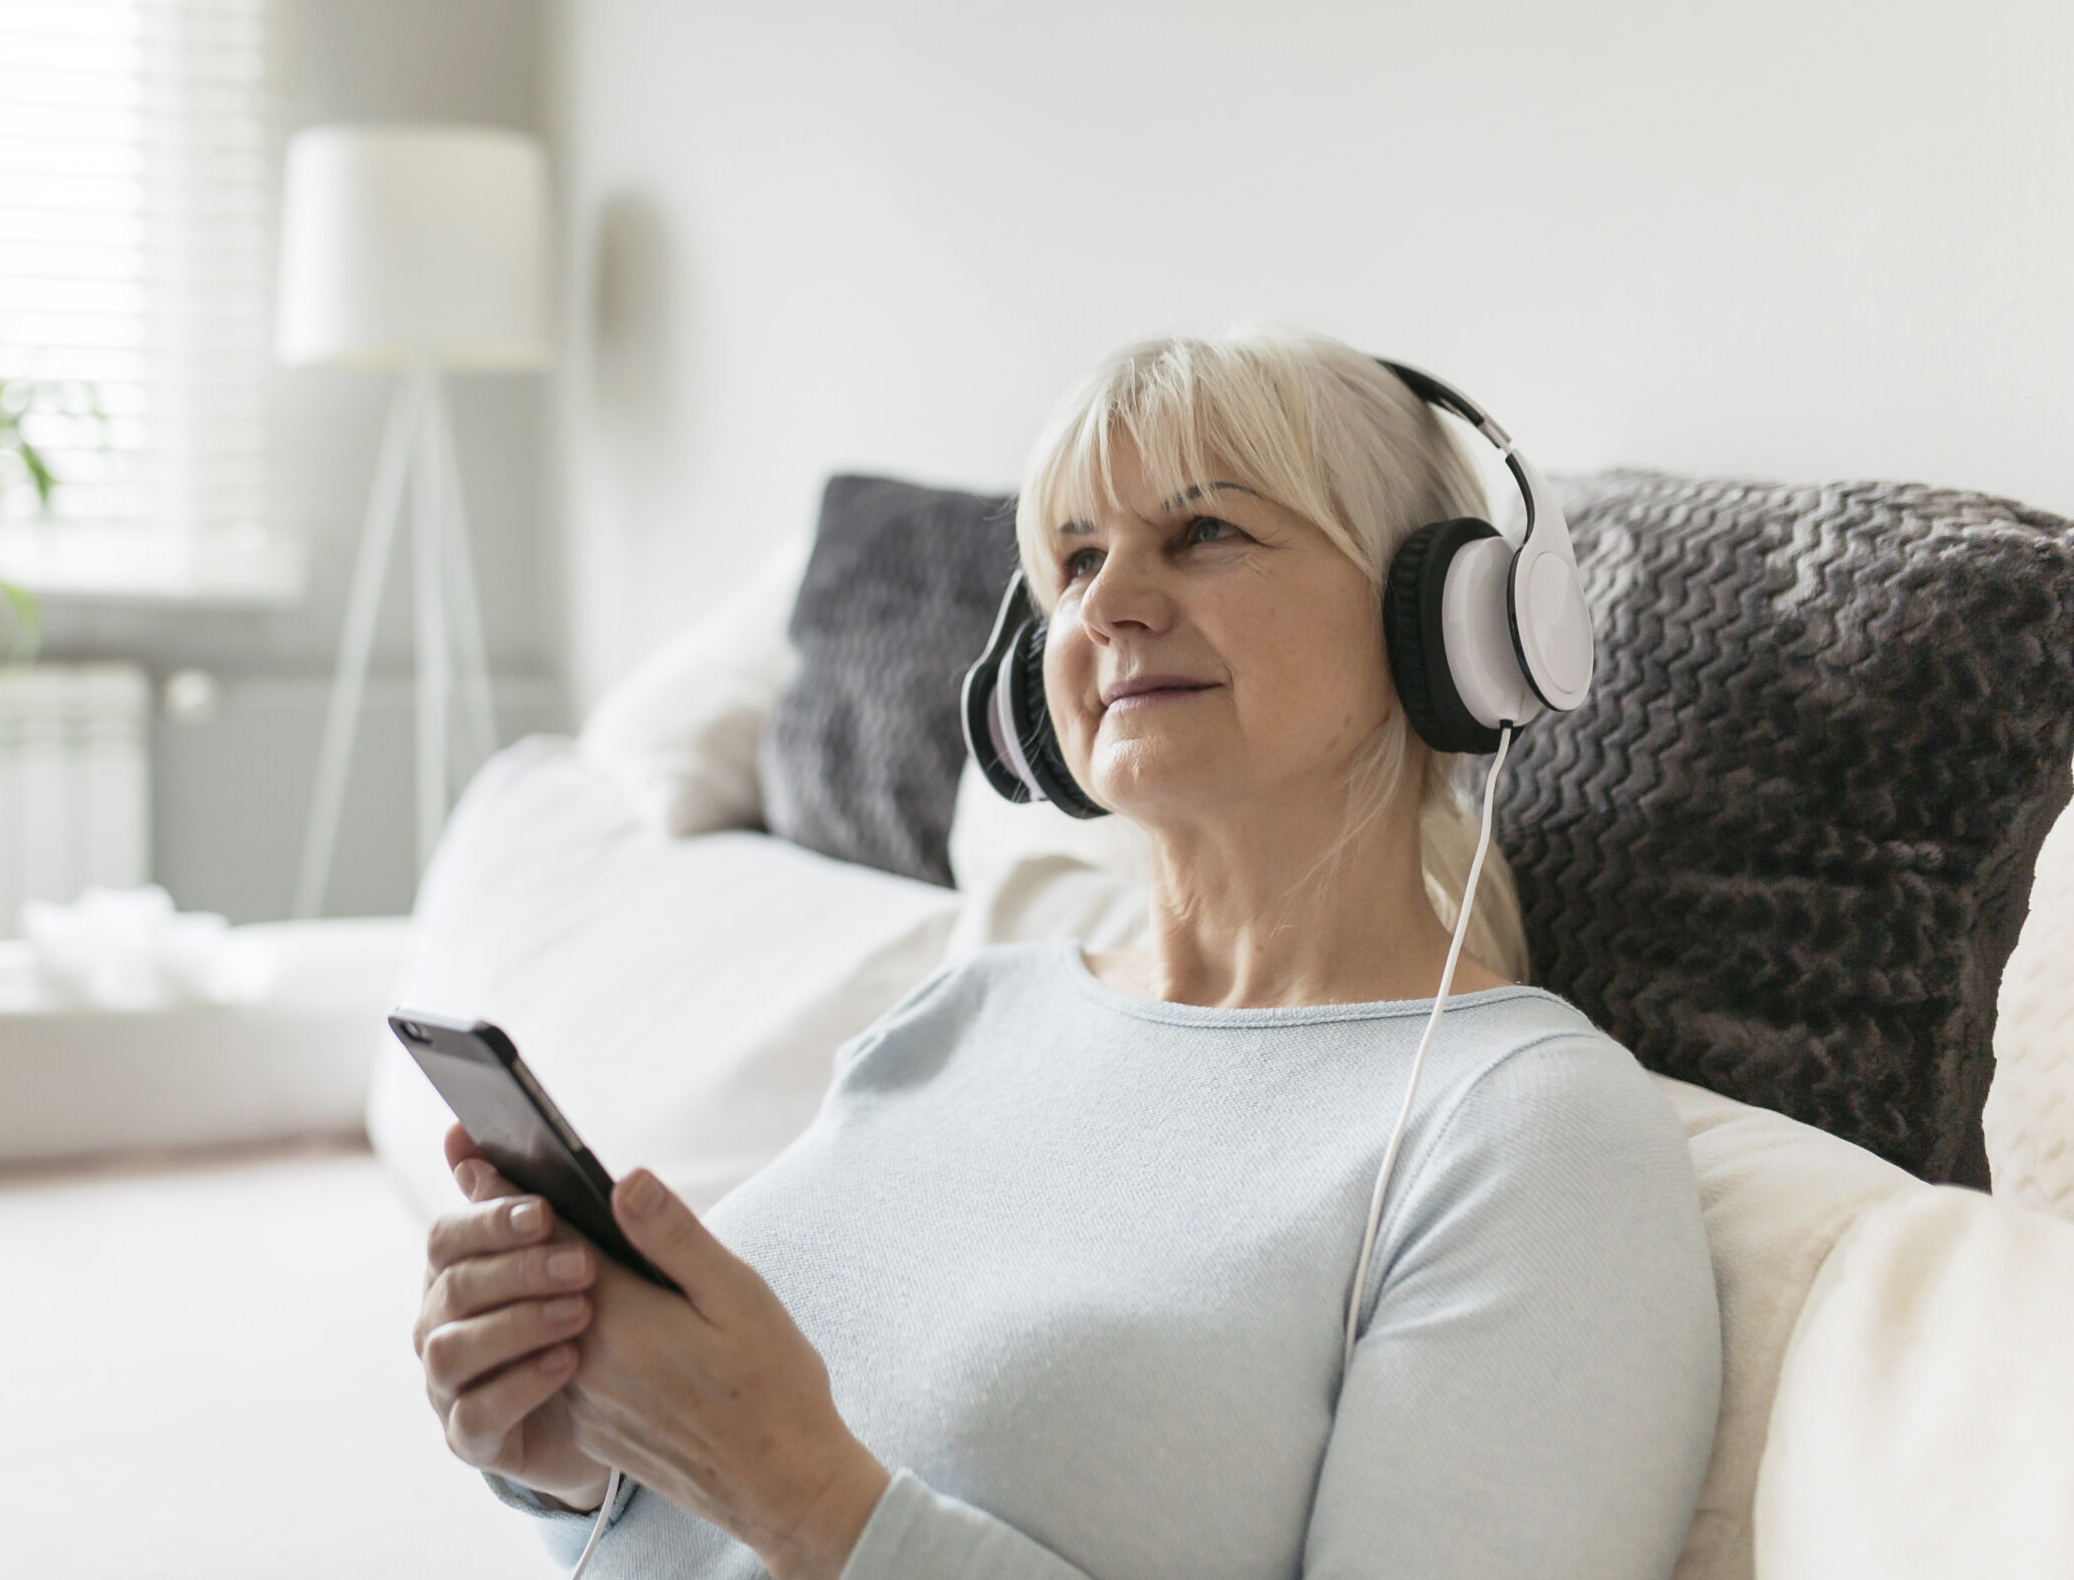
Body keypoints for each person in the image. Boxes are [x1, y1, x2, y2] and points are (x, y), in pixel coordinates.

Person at [412, 334, 1722, 1579]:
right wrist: (578, 1461)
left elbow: (796, 1490)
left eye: (1207, 531)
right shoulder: (972, 1010)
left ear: (1439, 621)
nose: (1113, 607)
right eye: (1078, 559)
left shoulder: (1528, 1128)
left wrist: (802, 1494)